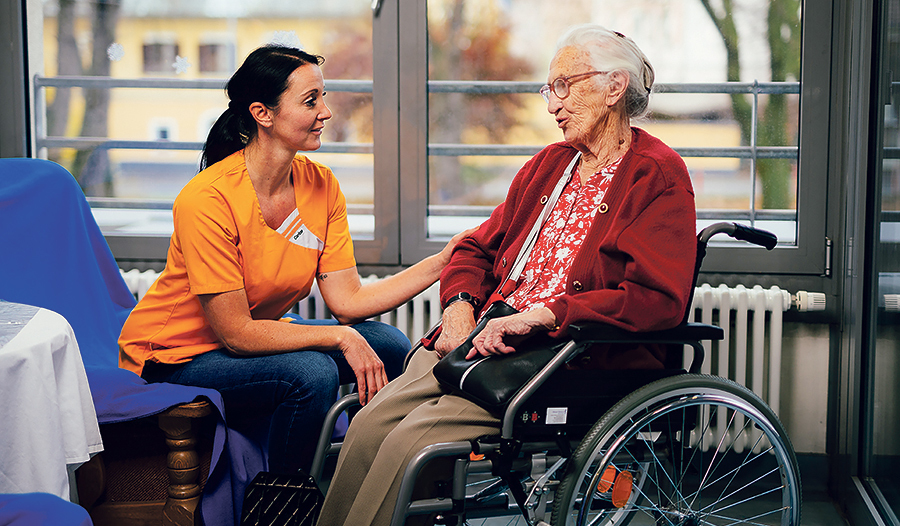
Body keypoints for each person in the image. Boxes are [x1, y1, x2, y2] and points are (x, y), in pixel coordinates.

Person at [317, 24, 697, 526]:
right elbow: (475, 247)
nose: (551, 104)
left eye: (564, 85)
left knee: (404, 446)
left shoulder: (657, 175)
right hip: (479, 343)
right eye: (548, 89)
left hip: (560, 360)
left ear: (613, 87)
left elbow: (655, 299)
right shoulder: (550, 165)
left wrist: (544, 315)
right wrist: (457, 309)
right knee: (366, 429)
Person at [118, 45, 470, 475]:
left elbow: (347, 301)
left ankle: (381, 479)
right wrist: (338, 339)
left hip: (248, 341)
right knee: (311, 373)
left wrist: (444, 260)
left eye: (324, 97)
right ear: (263, 114)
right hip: (176, 356)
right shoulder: (206, 200)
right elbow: (235, 333)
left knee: (391, 344)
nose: (326, 111)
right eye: (311, 101)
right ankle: (285, 510)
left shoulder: (320, 185)